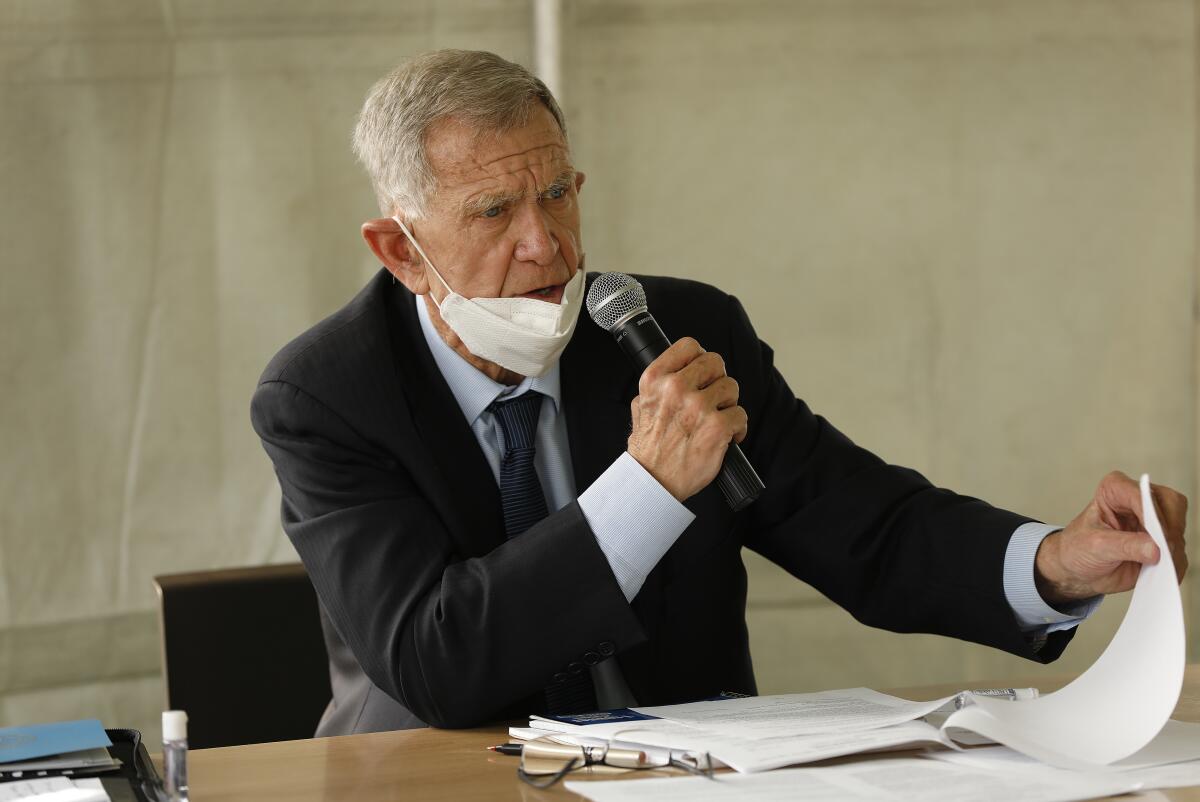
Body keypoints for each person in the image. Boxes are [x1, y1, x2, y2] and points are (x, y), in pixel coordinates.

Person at [251, 50, 1189, 736]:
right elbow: (436, 661)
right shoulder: (324, 394)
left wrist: (1053, 564)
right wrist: (646, 489)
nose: (547, 246)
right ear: (398, 250)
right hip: (441, 776)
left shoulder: (668, 331)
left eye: (560, 195)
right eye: (494, 212)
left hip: (690, 769)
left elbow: (861, 527)